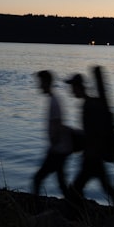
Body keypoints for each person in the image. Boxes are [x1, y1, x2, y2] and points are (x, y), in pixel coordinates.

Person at [65, 73, 114, 210]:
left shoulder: (88, 105)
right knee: (106, 187)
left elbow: (93, 133)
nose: (71, 91)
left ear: (79, 87)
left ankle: (77, 215)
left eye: (72, 87)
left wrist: (85, 147)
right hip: (94, 156)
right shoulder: (91, 103)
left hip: (92, 157)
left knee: (75, 189)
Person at [32, 70, 73, 201]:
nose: (39, 85)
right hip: (61, 148)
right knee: (61, 182)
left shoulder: (54, 102)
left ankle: (34, 207)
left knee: (38, 178)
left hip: (58, 149)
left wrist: (53, 146)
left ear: (47, 83)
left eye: (40, 82)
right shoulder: (54, 100)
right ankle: (74, 208)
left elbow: (57, 125)